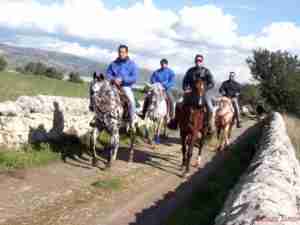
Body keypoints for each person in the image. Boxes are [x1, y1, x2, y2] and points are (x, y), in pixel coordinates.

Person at [106, 45, 138, 122]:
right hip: (113, 86)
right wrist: (113, 79)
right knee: (102, 97)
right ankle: (99, 118)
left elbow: (134, 78)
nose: (121, 54)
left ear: (127, 53)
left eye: (123, 52)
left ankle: (132, 119)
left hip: (125, 87)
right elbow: (108, 74)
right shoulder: (113, 63)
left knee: (131, 101)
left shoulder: (132, 64)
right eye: (120, 52)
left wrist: (123, 80)